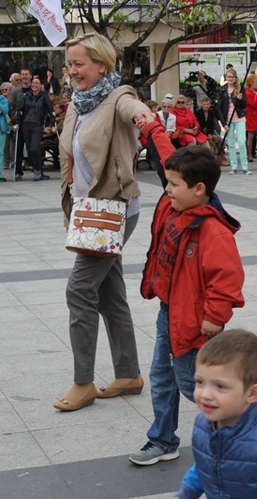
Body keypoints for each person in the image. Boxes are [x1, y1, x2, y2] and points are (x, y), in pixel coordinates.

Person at [54, 32, 165, 412]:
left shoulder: (118, 96)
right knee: (109, 292)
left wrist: (144, 117)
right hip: (88, 212)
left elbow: (132, 107)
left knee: (79, 290)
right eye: (69, 65)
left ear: (101, 64)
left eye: (79, 64)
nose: (72, 72)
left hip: (113, 212)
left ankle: (83, 382)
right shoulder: (77, 105)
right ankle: (129, 374)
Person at [129, 145, 245, 466]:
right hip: (170, 313)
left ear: (199, 189)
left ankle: (240, 424)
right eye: (167, 182)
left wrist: (215, 317)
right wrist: (150, 126)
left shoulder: (213, 230)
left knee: (190, 382)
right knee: (161, 376)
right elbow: (167, 152)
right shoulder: (175, 208)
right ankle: (163, 441)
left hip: (197, 323)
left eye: (173, 184)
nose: (166, 190)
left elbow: (227, 279)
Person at [175, 330, 257, 499]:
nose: (205, 394)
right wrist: (185, 493)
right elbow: (204, 466)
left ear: (252, 393)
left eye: (220, 386)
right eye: (200, 382)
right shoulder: (203, 424)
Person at [14, 75, 54, 181]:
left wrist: (52, 123)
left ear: (41, 85)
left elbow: (50, 110)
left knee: (35, 147)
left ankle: (38, 170)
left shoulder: (44, 96)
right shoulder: (27, 95)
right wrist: (18, 121)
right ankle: (37, 171)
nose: (34, 85)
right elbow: (20, 109)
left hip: (37, 125)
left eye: (37, 83)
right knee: (29, 149)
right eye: (33, 83)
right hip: (26, 124)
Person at [218, 68, 249, 175]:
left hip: (239, 118)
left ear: (235, 78)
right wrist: (224, 124)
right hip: (228, 120)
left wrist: (241, 99)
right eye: (228, 77)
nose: (230, 79)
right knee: (231, 144)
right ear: (226, 78)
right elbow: (219, 108)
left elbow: (245, 105)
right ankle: (234, 167)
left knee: (241, 142)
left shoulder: (240, 89)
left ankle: (245, 167)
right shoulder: (222, 90)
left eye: (232, 77)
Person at [195, 96, 227, 165]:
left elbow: (212, 125)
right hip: (201, 132)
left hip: (210, 131)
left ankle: (220, 156)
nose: (205, 106)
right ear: (201, 104)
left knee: (219, 139)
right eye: (204, 104)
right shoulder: (197, 113)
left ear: (209, 105)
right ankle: (215, 158)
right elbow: (200, 126)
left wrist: (210, 134)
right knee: (211, 140)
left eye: (207, 104)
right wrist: (207, 135)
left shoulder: (211, 113)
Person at [244, 73, 257, 165]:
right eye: (256, 82)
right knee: (250, 136)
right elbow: (252, 104)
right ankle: (249, 155)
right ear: (251, 83)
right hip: (251, 116)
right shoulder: (247, 92)